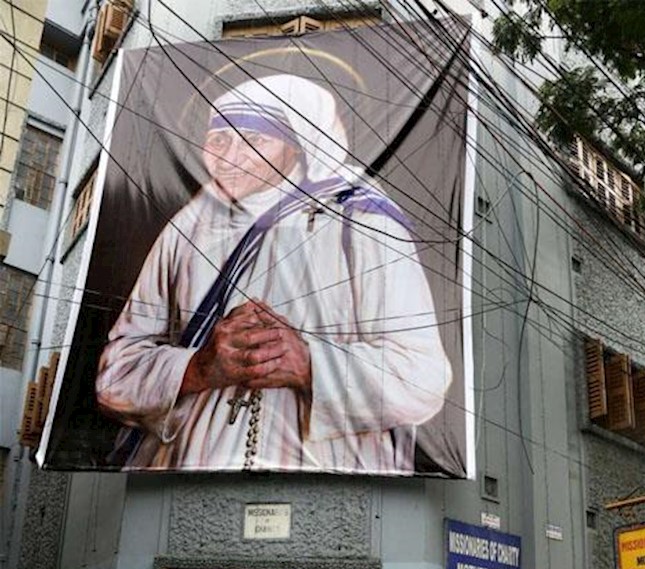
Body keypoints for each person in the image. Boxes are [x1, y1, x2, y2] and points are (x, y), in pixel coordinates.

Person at [95, 74, 452, 474]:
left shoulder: (363, 221)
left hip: (332, 477)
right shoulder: (187, 230)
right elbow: (115, 376)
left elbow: (423, 378)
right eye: (219, 141)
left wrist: (309, 363)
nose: (231, 157)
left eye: (253, 140)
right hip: (186, 472)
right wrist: (199, 368)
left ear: (297, 144)